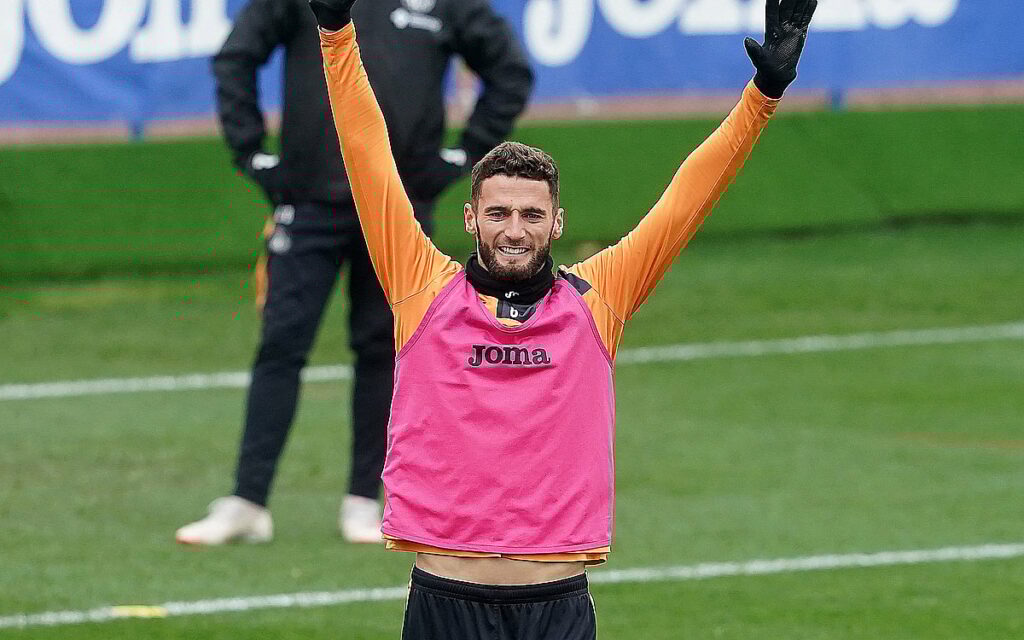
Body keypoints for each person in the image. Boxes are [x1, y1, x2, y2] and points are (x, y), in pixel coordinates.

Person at [313, 0, 816, 635]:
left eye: (531, 215)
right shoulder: (420, 288)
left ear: (557, 223)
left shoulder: (598, 299)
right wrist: (336, 35)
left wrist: (763, 94)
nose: (513, 230)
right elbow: (368, 156)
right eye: (498, 213)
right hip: (445, 601)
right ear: (470, 219)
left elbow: (689, 196)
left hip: (557, 606)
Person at [175, 0, 533, 545]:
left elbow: (509, 69)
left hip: (398, 210)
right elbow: (237, 55)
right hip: (308, 202)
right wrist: (250, 150)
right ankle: (247, 501)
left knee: (383, 350)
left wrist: (463, 157)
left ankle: (365, 500)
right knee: (281, 344)